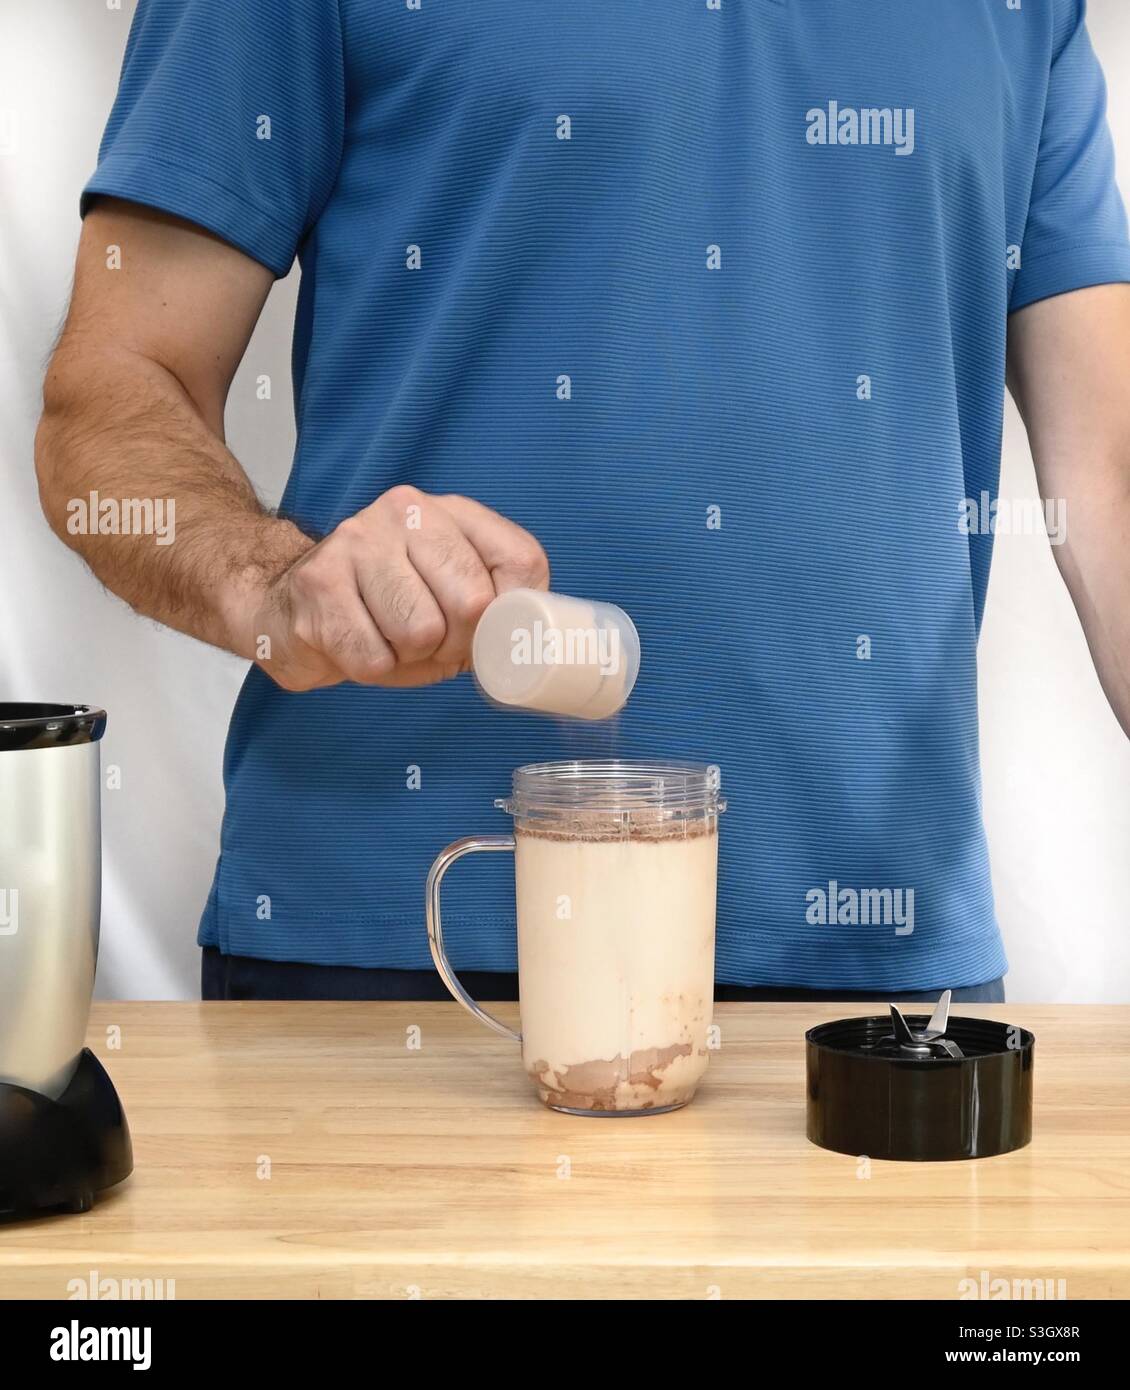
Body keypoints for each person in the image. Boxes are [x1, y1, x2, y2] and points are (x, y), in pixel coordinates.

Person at [36, 0, 1130, 1003]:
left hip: (874, 984)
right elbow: (115, 393)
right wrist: (273, 582)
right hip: (392, 958)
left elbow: (1110, 471)